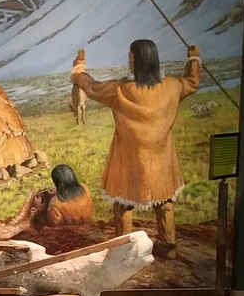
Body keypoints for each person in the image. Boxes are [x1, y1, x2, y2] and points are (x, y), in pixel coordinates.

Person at [72, 41, 201, 254]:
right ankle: (168, 246)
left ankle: (126, 249)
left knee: (124, 204)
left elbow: (91, 87)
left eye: (130, 56)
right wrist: (194, 58)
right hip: (160, 157)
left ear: (135, 59)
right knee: (165, 200)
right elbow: (193, 81)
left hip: (129, 158)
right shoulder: (172, 86)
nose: (129, 59)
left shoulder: (120, 90)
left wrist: (79, 68)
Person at [0, 163, 94, 240]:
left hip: (65, 231)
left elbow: (54, 225)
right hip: (84, 223)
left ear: (57, 183)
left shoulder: (55, 204)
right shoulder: (84, 189)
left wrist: (38, 209)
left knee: (18, 224)